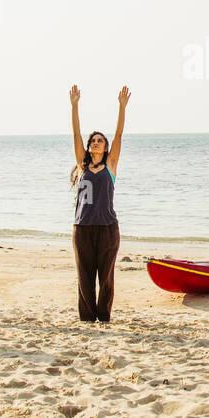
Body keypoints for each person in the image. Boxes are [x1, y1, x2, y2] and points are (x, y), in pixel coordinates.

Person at [69, 85, 129, 323]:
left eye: (100, 141)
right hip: (82, 228)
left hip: (107, 228)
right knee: (84, 276)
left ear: (105, 147)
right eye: (93, 140)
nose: (95, 143)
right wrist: (74, 106)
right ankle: (87, 318)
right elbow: (75, 134)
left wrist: (122, 107)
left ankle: (103, 317)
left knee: (106, 277)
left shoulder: (110, 165)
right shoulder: (83, 166)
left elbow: (119, 135)